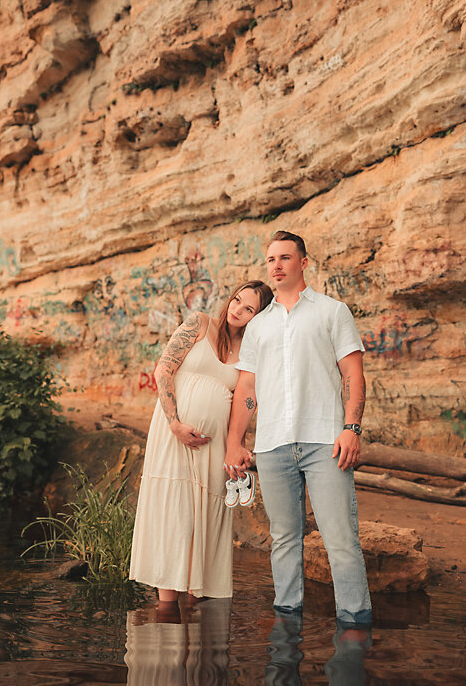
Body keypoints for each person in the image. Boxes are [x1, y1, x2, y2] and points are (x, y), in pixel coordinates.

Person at [224, 231, 372, 626]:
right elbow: (247, 389)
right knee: (284, 541)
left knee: (340, 540)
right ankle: (287, 627)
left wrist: (351, 428)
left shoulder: (332, 311)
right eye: (271, 259)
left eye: (285, 258)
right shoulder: (259, 326)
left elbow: (353, 375)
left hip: (326, 441)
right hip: (272, 445)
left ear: (303, 263)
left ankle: (355, 626)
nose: (276, 265)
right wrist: (234, 442)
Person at [129, 279, 274, 613]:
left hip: (213, 446)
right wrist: (175, 423)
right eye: (237, 300)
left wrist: (238, 445)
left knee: (204, 517)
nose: (237, 309)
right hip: (173, 434)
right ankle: (166, 610)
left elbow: (246, 400)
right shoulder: (199, 323)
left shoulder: (250, 353)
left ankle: (197, 612)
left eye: (249, 308)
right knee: (173, 512)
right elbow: (163, 369)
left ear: (259, 316)